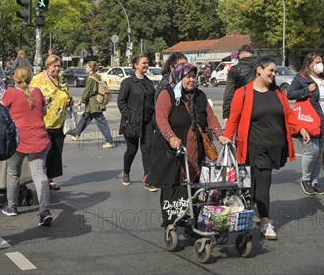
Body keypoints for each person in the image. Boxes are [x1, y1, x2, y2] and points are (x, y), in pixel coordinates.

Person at [225, 56, 303, 240]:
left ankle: (250, 211)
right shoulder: (243, 93)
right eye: (271, 71)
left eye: (275, 72)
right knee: (264, 181)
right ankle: (266, 221)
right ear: (259, 70)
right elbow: (234, 119)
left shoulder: (278, 93)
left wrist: (301, 128)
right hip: (254, 146)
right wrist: (227, 139)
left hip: (275, 146)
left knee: (254, 183)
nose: (274, 74)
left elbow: (289, 115)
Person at [147, 63, 229, 216]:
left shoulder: (199, 95)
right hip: (172, 151)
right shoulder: (167, 94)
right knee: (174, 185)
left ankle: (192, 219)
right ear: (179, 77)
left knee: (195, 185)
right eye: (188, 77)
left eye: (193, 76)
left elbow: (210, 117)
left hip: (195, 149)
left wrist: (220, 135)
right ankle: (172, 221)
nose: (192, 80)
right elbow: (161, 118)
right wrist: (171, 137)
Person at [1, 67, 53, 226]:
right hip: (39, 138)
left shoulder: (10, 93)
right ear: (31, 78)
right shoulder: (37, 92)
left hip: (18, 140)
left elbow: (2, 113)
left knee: (13, 172)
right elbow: (43, 111)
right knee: (39, 174)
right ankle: (44, 211)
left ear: (14, 78)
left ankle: (11, 206)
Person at [287, 52, 324, 195]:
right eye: (317, 62)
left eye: (321, 61)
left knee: (319, 153)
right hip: (309, 122)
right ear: (309, 64)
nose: (320, 64)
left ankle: (314, 182)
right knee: (311, 151)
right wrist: (307, 90)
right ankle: (306, 180)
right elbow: (290, 94)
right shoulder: (301, 78)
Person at [30, 55, 71, 191]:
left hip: (59, 122)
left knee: (56, 153)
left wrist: (68, 101)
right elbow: (29, 96)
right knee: (46, 152)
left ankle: (50, 177)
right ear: (47, 66)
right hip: (43, 122)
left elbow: (66, 94)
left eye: (59, 66)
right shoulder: (38, 80)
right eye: (54, 66)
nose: (57, 69)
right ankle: (41, 179)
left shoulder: (62, 80)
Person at [118, 54, 157, 190]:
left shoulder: (149, 82)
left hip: (147, 122)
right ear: (136, 65)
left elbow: (153, 102)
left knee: (147, 150)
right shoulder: (128, 82)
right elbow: (121, 101)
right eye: (144, 63)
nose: (146, 65)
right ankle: (126, 172)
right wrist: (129, 116)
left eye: (147, 63)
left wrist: (154, 119)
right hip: (132, 123)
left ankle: (148, 178)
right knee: (132, 150)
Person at [69, 60, 114, 148]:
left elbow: (87, 91)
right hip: (93, 102)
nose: (85, 68)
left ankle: (109, 141)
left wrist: (81, 100)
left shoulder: (90, 78)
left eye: (86, 67)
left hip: (94, 103)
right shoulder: (97, 76)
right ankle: (76, 134)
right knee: (85, 118)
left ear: (90, 68)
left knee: (101, 121)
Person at [223, 44, 257, 123]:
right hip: (261, 108)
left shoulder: (236, 69)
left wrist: (226, 114)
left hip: (242, 109)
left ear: (240, 55)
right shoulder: (262, 67)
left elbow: (229, 92)